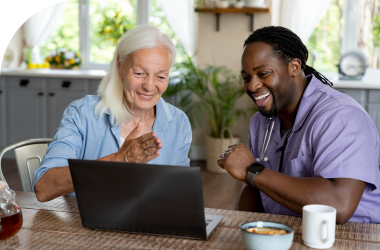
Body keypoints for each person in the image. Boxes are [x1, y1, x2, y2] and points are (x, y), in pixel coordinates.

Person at [217, 26, 380, 224]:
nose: (252, 86)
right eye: (246, 78)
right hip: (286, 229)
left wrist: (252, 170)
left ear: (294, 67)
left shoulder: (341, 116)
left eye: (263, 74)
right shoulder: (260, 122)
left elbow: (339, 205)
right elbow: (255, 186)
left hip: (352, 235)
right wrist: (238, 228)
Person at [33, 25, 192, 202]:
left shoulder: (179, 123)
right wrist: (121, 159)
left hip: (149, 225)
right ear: (120, 67)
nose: (149, 86)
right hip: (82, 226)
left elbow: (180, 195)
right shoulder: (82, 114)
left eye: (161, 77)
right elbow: (43, 187)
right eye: (139, 73)